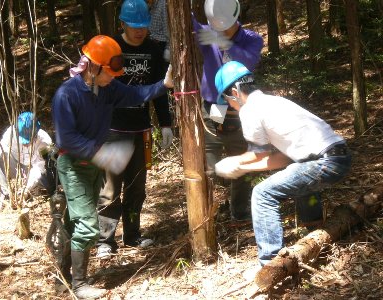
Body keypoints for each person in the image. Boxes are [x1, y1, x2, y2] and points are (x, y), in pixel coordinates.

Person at [51, 35, 173, 299]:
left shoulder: (108, 88)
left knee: (74, 223)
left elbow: (136, 93)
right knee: (87, 225)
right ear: (93, 68)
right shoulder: (66, 95)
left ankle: (62, 279)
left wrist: (164, 84)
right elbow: (66, 138)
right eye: (110, 73)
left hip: (93, 167)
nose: (114, 78)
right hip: (73, 167)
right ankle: (79, 284)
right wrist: (103, 153)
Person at [213, 61, 352, 266]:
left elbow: (258, 155)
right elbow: (282, 159)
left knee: (262, 194)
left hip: (325, 162)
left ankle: (271, 262)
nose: (229, 104)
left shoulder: (250, 109)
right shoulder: (273, 101)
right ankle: (316, 233)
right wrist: (242, 166)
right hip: (339, 157)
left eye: (227, 99)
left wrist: (235, 162)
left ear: (235, 91)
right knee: (299, 175)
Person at [96, 0, 173, 259]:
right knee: (109, 189)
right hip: (112, 130)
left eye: (144, 26)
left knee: (137, 187)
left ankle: (132, 234)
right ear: (123, 23)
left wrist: (165, 123)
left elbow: (160, 89)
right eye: (134, 26)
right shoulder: (112, 48)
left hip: (140, 128)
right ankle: (105, 240)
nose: (140, 31)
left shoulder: (153, 49)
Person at [191, 0, 264, 223]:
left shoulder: (252, 39)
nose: (220, 30)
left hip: (239, 106)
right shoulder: (208, 32)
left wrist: (222, 43)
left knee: (241, 159)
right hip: (215, 106)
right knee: (210, 162)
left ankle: (240, 212)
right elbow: (187, 23)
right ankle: (206, 214)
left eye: (225, 27)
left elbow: (247, 61)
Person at [0, 112, 54, 213]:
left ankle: (34, 190)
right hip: (17, 166)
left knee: (47, 175)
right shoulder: (10, 132)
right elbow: (1, 153)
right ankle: (2, 196)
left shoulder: (45, 141)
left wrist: (26, 188)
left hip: (34, 170)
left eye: (29, 140)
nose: (25, 144)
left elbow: (40, 168)